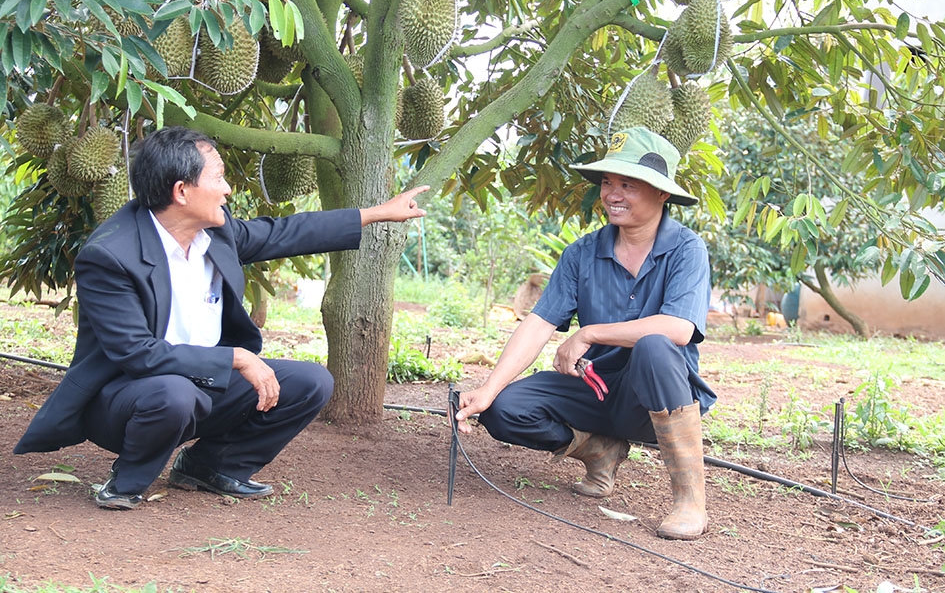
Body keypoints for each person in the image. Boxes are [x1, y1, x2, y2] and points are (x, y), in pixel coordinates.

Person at [14, 126, 428, 510]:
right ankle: (125, 482)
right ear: (181, 191)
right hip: (127, 397)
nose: (228, 190)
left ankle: (211, 466)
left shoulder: (216, 231)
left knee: (309, 383)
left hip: (203, 384)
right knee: (174, 394)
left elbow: (284, 232)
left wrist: (376, 213)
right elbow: (136, 354)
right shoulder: (110, 255)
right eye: (219, 178)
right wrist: (237, 358)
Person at [455, 126, 715, 540]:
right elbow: (539, 322)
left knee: (655, 347)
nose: (613, 193)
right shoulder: (582, 252)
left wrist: (590, 333)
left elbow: (679, 328)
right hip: (593, 390)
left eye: (628, 184)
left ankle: (690, 501)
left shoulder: (686, 249)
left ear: (662, 194)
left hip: (653, 402)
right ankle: (600, 449)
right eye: (608, 182)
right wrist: (488, 389)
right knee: (504, 409)